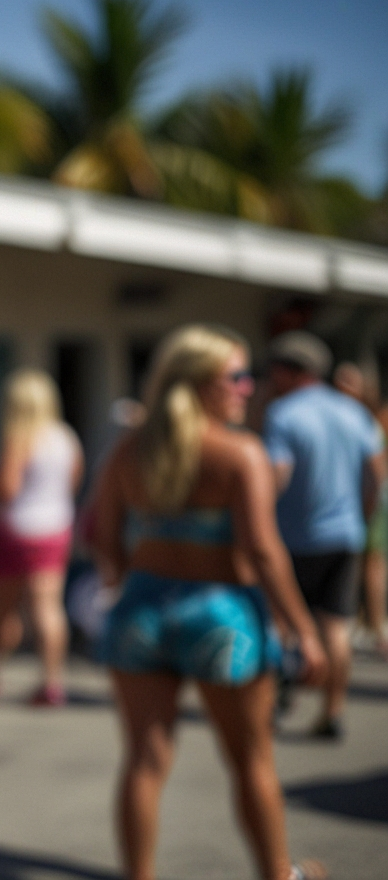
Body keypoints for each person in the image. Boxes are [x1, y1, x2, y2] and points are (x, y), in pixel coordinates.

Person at [93, 324, 328, 880]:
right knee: (251, 762)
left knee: (144, 762)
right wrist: (303, 629)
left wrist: (134, 578)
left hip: (142, 609)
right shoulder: (239, 453)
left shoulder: (129, 449)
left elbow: (103, 536)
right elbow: (263, 550)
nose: (248, 388)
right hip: (224, 615)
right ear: (201, 383)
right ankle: (278, 874)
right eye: (238, 377)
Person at [264, 331, 386, 739]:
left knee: (282, 622)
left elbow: (275, 477)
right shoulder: (354, 413)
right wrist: (362, 517)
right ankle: (332, 712)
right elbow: (375, 478)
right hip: (345, 535)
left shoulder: (283, 414)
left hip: (292, 538)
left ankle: (279, 701)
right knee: (336, 627)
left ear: (289, 371)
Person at [0, 369, 82, 705]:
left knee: (3, 610)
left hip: (15, 530)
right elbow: (72, 483)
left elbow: (6, 488)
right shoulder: (65, 438)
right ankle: (52, 681)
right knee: (48, 608)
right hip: (55, 528)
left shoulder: (18, 437)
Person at [332, 361, 388, 657]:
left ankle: (376, 625)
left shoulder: (372, 419)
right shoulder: (353, 417)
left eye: (350, 382)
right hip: (348, 501)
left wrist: (370, 503)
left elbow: (377, 471)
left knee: (372, 562)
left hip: (369, 499)